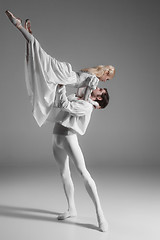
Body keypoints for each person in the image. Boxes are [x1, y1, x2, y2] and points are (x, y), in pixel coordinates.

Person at [5, 10, 115, 127]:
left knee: (42, 58)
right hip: (66, 77)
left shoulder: (90, 72)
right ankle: (19, 26)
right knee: (41, 65)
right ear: (105, 74)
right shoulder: (94, 80)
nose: (104, 82)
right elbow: (84, 99)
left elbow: (80, 94)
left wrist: (93, 102)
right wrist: (94, 103)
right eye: (107, 79)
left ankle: (29, 36)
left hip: (67, 73)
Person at [52, 84, 110, 232]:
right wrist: (61, 89)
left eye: (100, 89)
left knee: (84, 173)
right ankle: (71, 209)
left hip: (68, 139)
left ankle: (100, 215)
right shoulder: (80, 97)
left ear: (98, 97)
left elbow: (65, 105)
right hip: (56, 138)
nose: (97, 87)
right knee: (64, 173)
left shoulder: (86, 106)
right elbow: (59, 102)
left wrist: (61, 87)